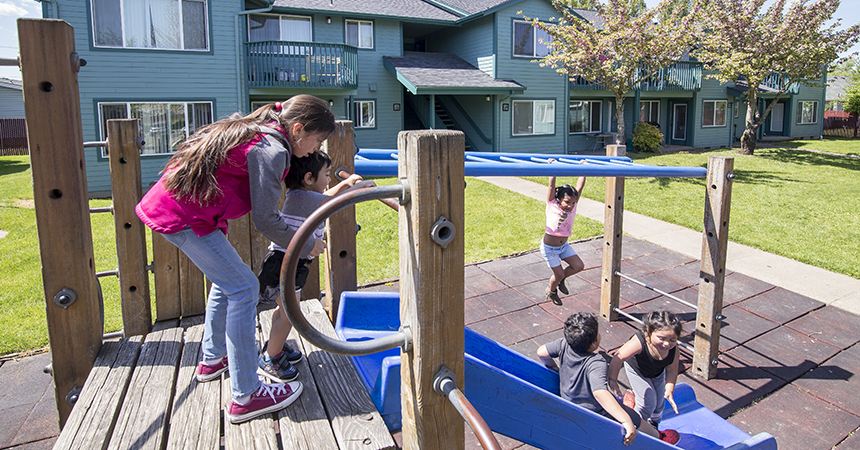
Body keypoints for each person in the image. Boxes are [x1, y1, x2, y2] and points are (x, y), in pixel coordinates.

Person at [135, 95, 334, 424]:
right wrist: (306, 245)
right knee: (243, 288)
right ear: (298, 130)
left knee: (229, 282)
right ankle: (246, 395)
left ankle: (214, 359)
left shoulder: (262, 131)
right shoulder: (274, 150)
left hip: (187, 212)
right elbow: (267, 221)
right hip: (184, 216)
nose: (315, 150)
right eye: (317, 141)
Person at [256, 151, 376, 382]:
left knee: (284, 311)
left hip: (287, 264)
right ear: (309, 178)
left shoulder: (303, 195)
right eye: (327, 175)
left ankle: (275, 347)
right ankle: (270, 359)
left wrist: (346, 185)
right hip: (285, 264)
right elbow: (331, 203)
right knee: (289, 314)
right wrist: (358, 189)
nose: (330, 180)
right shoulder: (303, 198)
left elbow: (326, 198)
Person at [537, 312, 676, 446]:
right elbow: (600, 393)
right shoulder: (595, 362)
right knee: (632, 416)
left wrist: (556, 369)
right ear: (594, 343)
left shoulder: (564, 344)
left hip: (568, 401)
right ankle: (658, 436)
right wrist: (626, 421)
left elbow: (541, 352)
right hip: (594, 411)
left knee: (619, 406)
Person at [609, 310, 682, 441]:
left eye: (672, 340)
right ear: (648, 332)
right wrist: (612, 379)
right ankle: (637, 426)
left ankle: (653, 425)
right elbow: (618, 357)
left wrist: (669, 389)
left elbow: (672, 370)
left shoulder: (673, 350)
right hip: (637, 371)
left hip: (657, 372)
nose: (667, 344)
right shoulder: (639, 341)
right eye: (662, 338)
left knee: (660, 403)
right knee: (648, 401)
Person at [542, 159, 586, 306]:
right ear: (559, 199)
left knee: (579, 266)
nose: (570, 205)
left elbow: (580, 187)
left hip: (564, 246)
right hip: (550, 248)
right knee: (558, 274)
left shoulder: (573, 206)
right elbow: (551, 185)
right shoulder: (552, 204)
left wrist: (583, 168)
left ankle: (560, 279)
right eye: (567, 202)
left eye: (573, 202)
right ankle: (552, 291)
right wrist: (552, 167)